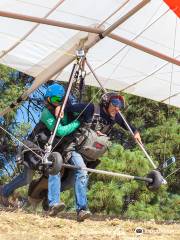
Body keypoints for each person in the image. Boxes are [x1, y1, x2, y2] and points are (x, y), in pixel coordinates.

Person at [28, 91, 142, 222]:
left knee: (71, 181)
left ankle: (49, 201)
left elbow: (127, 125)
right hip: (74, 148)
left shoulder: (115, 116)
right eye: (115, 103)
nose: (118, 108)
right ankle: (79, 209)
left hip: (88, 154)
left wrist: (135, 131)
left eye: (120, 105)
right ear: (106, 102)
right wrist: (61, 106)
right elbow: (70, 108)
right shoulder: (91, 108)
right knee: (80, 171)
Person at [0, 83, 80, 216]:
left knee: (58, 174)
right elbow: (59, 131)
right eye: (54, 100)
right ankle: (4, 192)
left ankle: (49, 202)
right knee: (26, 178)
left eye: (60, 100)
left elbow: (75, 113)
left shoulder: (64, 110)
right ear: (48, 99)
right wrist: (76, 124)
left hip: (50, 150)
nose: (57, 102)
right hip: (35, 148)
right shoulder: (46, 112)